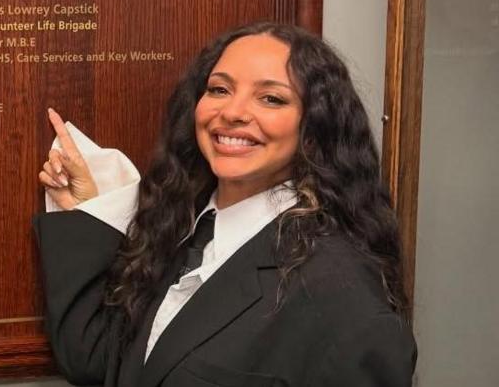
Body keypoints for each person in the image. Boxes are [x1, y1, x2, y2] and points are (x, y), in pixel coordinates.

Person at [34, 21, 415, 386]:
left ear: (314, 124)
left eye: (271, 98)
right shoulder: (180, 233)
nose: (232, 112)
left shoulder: (342, 293)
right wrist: (91, 209)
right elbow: (101, 359)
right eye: (219, 89)